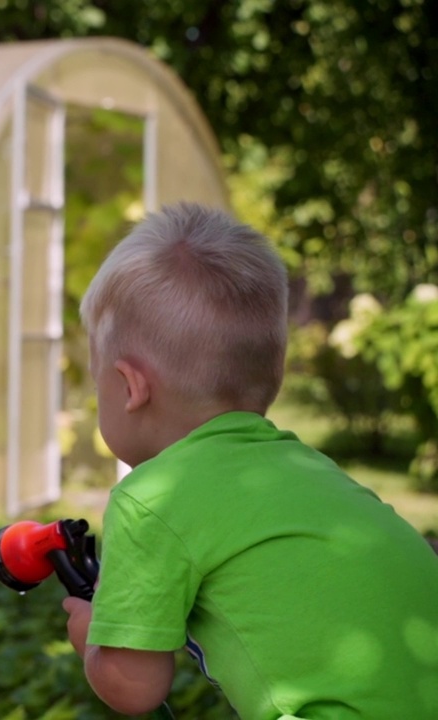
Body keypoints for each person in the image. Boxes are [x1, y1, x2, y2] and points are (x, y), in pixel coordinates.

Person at [62, 202, 438, 718]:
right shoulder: (309, 469)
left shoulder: (150, 499)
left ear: (129, 387)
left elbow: (136, 687)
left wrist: (92, 641)